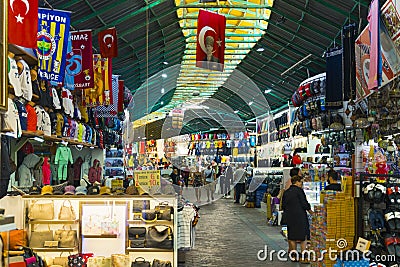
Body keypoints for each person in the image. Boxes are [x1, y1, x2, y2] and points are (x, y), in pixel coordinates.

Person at [282, 175, 313, 263]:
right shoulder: (299, 191)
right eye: (301, 183)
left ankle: (294, 256)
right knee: (303, 237)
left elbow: (283, 205)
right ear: (297, 182)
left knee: (292, 236)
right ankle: (303, 257)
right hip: (300, 216)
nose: (301, 184)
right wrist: (311, 211)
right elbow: (304, 203)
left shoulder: (286, 192)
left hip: (289, 216)